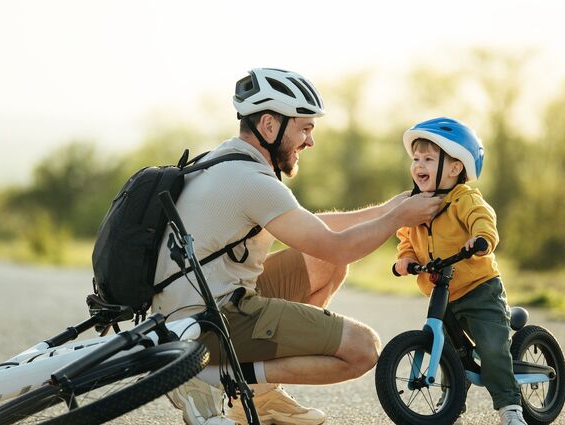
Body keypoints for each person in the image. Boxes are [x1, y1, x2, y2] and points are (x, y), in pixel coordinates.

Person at [151, 68, 444, 425]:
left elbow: (316, 233)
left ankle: (260, 398)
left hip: (187, 309)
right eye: (304, 129)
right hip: (210, 322)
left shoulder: (227, 159)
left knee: (325, 264)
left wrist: (389, 209)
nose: (309, 141)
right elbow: (337, 246)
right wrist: (396, 219)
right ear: (270, 126)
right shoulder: (254, 180)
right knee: (363, 350)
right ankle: (215, 375)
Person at [393, 117, 527, 425]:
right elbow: (406, 237)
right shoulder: (416, 203)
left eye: (428, 158)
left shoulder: (464, 199)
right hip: (442, 290)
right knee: (448, 353)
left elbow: (483, 219)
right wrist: (405, 259)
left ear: (455, 168)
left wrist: (481, 239)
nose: (418, 165)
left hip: (479, 288)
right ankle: (452, 400)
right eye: (415, 159)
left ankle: (510, 406)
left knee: (492, 347)